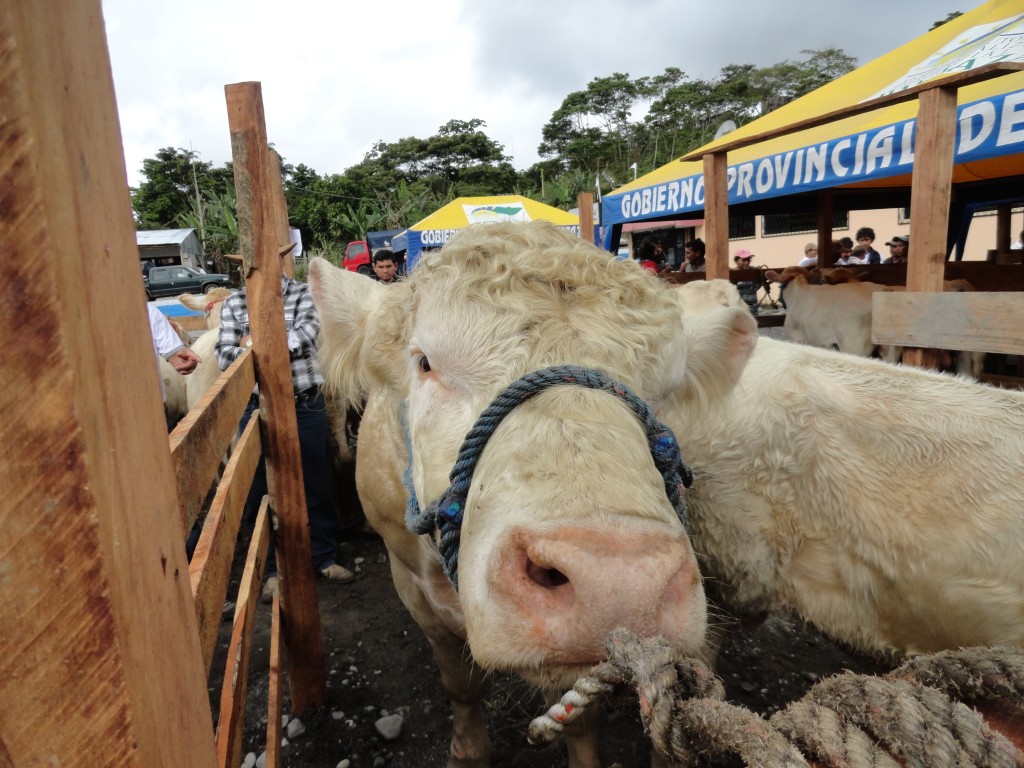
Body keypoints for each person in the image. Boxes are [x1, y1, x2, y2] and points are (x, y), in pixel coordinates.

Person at [216, 244, 353, 601]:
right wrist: (269, 344)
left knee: (316, 483)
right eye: (252, 265)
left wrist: (254, 344)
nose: (260, 270)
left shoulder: (301, 296)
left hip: (303, 402)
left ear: (278, 263)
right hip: (257, 407)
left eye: (265, 263)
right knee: (261, 491)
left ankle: (322, 556)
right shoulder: (233, 304)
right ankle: (274, 569)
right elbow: (223, 354)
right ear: (245, 269)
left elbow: (305, 336)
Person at [733, 249, 759, 316]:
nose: (747, 262)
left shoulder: (754, 272)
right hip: (739, 308)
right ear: (736, 261)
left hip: (753, 307)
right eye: (743, 260)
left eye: (748, 259)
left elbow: (759, 284)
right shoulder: (732, 274)